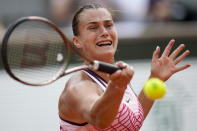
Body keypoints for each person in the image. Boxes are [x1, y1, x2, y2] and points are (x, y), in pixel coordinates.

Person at [58, 3, 191, 131]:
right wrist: (117, 86)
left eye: (108, 25)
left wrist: (155, 78)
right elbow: (100, 120)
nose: (104, 32)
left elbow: (128, 123)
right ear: (77, 41)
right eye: (93, 27)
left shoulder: (116, 76)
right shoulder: (78, 87)